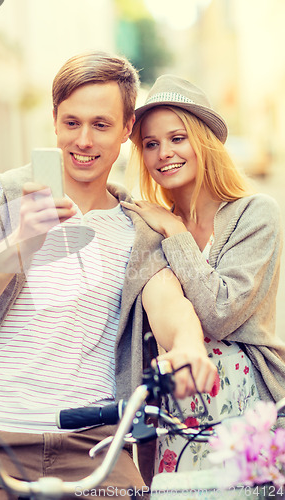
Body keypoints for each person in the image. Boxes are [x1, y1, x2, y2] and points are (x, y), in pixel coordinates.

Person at [0, 54, 215, 499]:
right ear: (55, 122)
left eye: (101, 125)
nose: (83, 140)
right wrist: (20, 244)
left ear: (127, 128)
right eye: (71, 123)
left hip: (95, 444)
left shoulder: (136, 226)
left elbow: (170, 308)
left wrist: (191, 348)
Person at [121, 74, 285, 474]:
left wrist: (176, 234)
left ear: (204, 141)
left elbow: (220, 313)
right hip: (176, 406)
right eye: (151, 144)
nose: (164, 153)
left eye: (178, 138)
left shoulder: (255, 214)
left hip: (246, 405)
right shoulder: (149, 227)